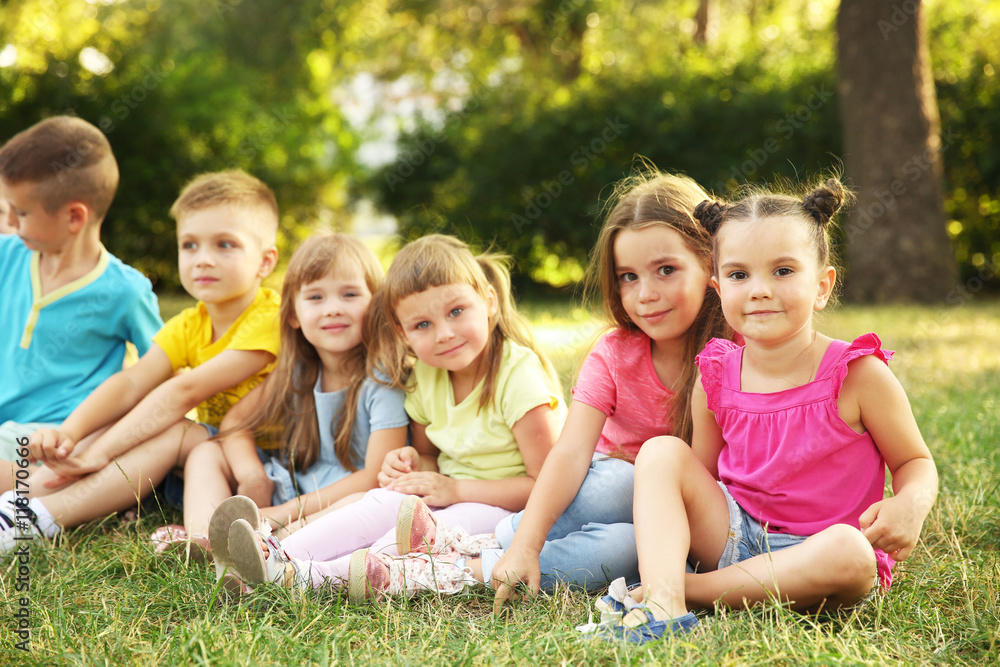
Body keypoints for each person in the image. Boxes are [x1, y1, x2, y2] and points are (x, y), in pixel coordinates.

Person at [605, 178, 938, 643]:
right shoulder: (717, 374)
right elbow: (700, 478)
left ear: (822, 286)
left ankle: (690, 590)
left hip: (820, 553)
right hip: (735, 536)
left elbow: (914, 462)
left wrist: (910, 504)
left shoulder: (858, 375)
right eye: (740, 276)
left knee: (851, 553)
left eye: (783, 271)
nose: (759, 290)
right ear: (719, 289)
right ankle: (665, 605)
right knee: (661, 452)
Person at [375, 170, 732, 603]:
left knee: (630, 500)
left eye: (666, 270)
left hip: (704, 520)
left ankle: (463, 562)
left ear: (710, 264)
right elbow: (569, 453)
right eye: (628, 277)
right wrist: (526, 543)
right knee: (618, 500)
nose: (645, 294)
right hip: (612, 507)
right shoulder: (616, 353)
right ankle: (492, 547)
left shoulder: (740, 350)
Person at [212, 234, 566, 596]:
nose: (444, 334)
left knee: (404, 537)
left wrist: (456, 488)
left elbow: (548, 486)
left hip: (502, 512)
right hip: (446, 493)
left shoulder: (518, 377)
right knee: (378, 503)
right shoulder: (426, 375)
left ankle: (302, 578)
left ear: (489, 301)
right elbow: (429, 457)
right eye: (422, 325)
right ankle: (276, 555)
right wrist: (410, 460)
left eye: (457, 312)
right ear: (402, 331)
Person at [0, 169, 282, 552]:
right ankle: (20, 501)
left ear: (265, 262)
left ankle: (36, 516)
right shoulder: (189, 323)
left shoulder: (271, 316)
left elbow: (184, 390)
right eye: (190, 245)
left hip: (267, 462)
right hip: (212, 461)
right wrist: (72, 433)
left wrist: (100, 454)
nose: (203, 260)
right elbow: (132, 382)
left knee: (177, 430)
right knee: (119, 417)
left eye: (225, 245)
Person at [153, 234, 408, 573]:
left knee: (363, 503)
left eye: (349, 294)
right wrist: (253, 478)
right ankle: (206, 538)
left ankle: (270, 546)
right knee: (206, 451)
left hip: (346, 499)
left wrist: (282, 513)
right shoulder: (299, 370)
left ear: (377, 305)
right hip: (294, 485)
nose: (333, 307)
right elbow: (235, 424)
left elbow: (374, 476)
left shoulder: (383, 380)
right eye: (315, 297)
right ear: (293, 316)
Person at [0, 116, 162, 492]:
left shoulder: (125, 291)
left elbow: (159, 373)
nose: (7, 221)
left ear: (74, 217)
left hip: (47, 442)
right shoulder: (7, 256)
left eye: (20, 213)